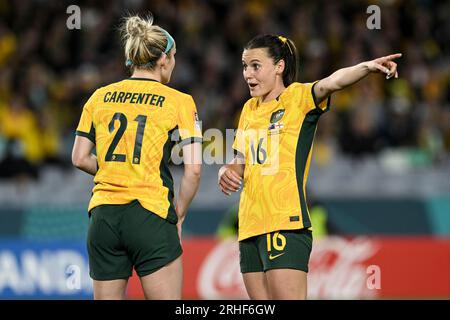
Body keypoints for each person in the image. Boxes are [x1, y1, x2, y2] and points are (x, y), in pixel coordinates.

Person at [218, 34, 400, 299]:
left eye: (256, 66)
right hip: (249, 227)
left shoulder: (299, 98)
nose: (248, 73)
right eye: (245, 66)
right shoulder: (248, 109)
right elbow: (240, 162)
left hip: (284, 224)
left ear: (279, 66)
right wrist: (227, 171)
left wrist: (367, 67)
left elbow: (333, 82)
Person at [72, 14, 202, 300]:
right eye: (174, 56)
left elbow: (80, 158)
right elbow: (193, 170)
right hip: (150, 214)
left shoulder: (99, 96)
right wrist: (178, 214)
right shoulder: (179, 101)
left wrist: (116, 172)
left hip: (103, 217)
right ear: (163, 60)